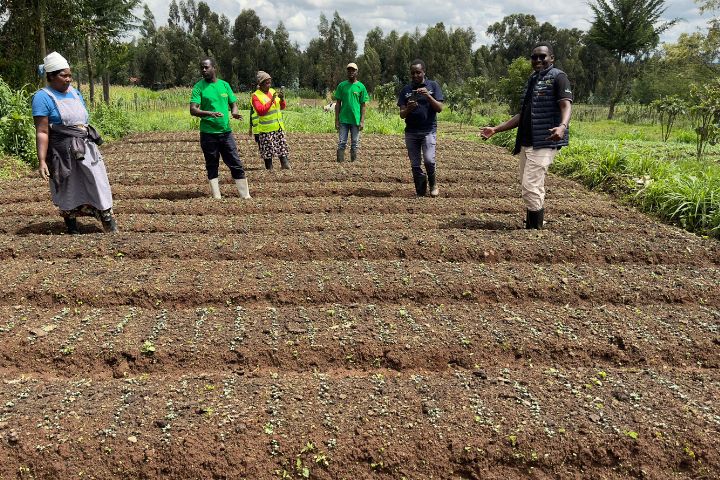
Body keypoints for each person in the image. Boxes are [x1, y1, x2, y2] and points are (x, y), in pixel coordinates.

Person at [480, 43, 572, 229]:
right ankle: (534, 222)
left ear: (551, 58)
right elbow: (522, 115)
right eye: (534, 57)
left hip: (545, 140)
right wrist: (496, 129)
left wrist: (562, 126)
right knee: (530, 184)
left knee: (530, 185)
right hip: (527, 141)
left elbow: (566, 104)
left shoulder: (559, 77)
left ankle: (535, 229)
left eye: (542, 56)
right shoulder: (532, 80)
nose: (538, 60)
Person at [32, 51, 118, 234]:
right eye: (64, 75)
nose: (69, 79)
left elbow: (82, 120)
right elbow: (42, 131)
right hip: (62, 151)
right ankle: (71, 226)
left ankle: (107, 221)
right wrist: (41, 160)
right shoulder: (42, 97)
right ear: (51, 77)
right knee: (68, 186)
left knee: (97, 182)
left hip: (85, 147)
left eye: (70, 75)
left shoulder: (75, 93)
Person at [190, 58, 251, 199]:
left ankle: (245, 196)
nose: (203, 70)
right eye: (202, 68)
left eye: (206, 67)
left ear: (214, 68)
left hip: (226, 133)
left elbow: (233, 103)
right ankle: (216, 196)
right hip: (208, 134)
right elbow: (193, 110)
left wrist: (234, 112)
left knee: (235, 162)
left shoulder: (224, 85)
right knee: (212, 164)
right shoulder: (199, 87)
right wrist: (209, 113)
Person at [398, 59, 444, 197]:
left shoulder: (433, 86)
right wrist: (409, 109)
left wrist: (428, 96)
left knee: (429, 160)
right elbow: (401, 114)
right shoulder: (406, 90)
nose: (415, 75)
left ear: (424, 72)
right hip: (411, 132)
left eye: (418, 72)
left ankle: (433, 184)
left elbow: (440, 108)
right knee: (415, 164)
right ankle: (420, 188)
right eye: (412, 73)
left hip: (428, 130)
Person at [251, 71, 290, 170]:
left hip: (278, 127)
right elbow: (260, 111)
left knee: (282, 149)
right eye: (266, 83)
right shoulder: (256, 96)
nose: (269, 85)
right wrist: (271, 100)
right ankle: (270, 169)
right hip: (266, 130)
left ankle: (285, 165)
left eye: (270, 82)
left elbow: (281, 107)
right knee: (268, 152)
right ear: (260, 84)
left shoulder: (272, 91)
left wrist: (281, 99)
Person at [333, 62, 369, 162]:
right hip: (343, 119)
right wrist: (336, 120)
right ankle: (340, 162)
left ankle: (353, 163)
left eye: (353, 70)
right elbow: (338, 104)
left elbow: (363, 105)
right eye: (349, 70)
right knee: (342, 142)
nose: (351, 72)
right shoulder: (342, 86)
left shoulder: (361, 87)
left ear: (357, 72)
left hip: (355, 119)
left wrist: (362, 121)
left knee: (355, 143)